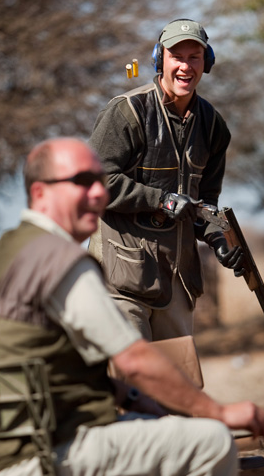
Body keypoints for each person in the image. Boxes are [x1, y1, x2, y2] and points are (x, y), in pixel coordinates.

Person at [0, 137, 264, 476]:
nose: (99, 192)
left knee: (162, 450)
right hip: (40, 454)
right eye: (82, 182)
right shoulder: (61, 262)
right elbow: (134, 359)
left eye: (100, 181)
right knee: (209, 443)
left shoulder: (8, 255)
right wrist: (218, 412)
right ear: (40, 192)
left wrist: (131, 397)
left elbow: (46, 364)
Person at [89, 18, 245, 342]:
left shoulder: (214, 127)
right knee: (134, 382)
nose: (185, 66)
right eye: (177, 56)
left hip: (178, 281)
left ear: (208, 62)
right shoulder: (127, 111)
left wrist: (221, 241)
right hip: (121, 277)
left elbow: (206, 204)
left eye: (194, 57)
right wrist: (161, 199)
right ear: (160, 59)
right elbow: (96, 181)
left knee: (178, 384)